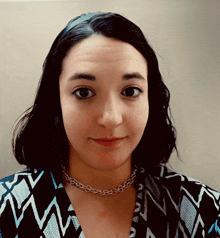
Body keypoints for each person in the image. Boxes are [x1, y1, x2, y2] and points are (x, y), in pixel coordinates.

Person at [0, 12, 219, 238]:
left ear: (150, 100)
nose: (111, 118)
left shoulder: (204, 212)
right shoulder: (7, 209)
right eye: (84, 93)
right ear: (56, 101)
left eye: (130, 91)